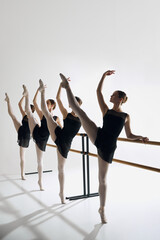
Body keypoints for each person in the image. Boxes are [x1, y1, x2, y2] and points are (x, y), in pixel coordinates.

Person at [59, 70, 149, 223]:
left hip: (108, 146)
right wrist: (103, 76)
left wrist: (140, 137)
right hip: (98, 135)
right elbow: (98, 91)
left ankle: (102, 209)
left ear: (120, 99)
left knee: (102, 179)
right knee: (80, 112)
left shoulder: (125, 116)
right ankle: (67, 87)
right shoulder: (106, 110)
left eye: (113, 95)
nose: (110, 96)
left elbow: (129, 135)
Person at [38, 79, 82, 204]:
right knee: (46, 113)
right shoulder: (66, 114)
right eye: (72, 103)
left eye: (76, 103)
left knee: (61, 168)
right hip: (58, 133)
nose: (73, 105)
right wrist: (60, 85)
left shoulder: (82, 117)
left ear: (78, 105)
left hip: (66, 143)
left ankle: (61, 193)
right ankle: (42, 91)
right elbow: (58, 98)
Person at [22, 84, 60, 190]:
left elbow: (61, 129)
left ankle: (40, 181)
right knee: (29, 113)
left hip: (42, 139)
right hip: (36, 131)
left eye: (47, 103)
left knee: (40, 161)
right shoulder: (42, 114)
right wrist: (38, 90)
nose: (45, 104)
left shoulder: (56, 118)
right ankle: (26, 94)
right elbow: (34, 102)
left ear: (51, 106)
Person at [5, 93, 35, 180]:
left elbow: (38, 127)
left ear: (31, 110)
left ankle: (22, 174)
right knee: (13, 117)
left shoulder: (33, 118)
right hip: (21, 129)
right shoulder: (25, 115)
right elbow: (19, 104)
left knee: (22, 156)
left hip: (25, 136)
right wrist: (24, 96)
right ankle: (8, 101)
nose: (25, 109)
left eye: (27, 108)